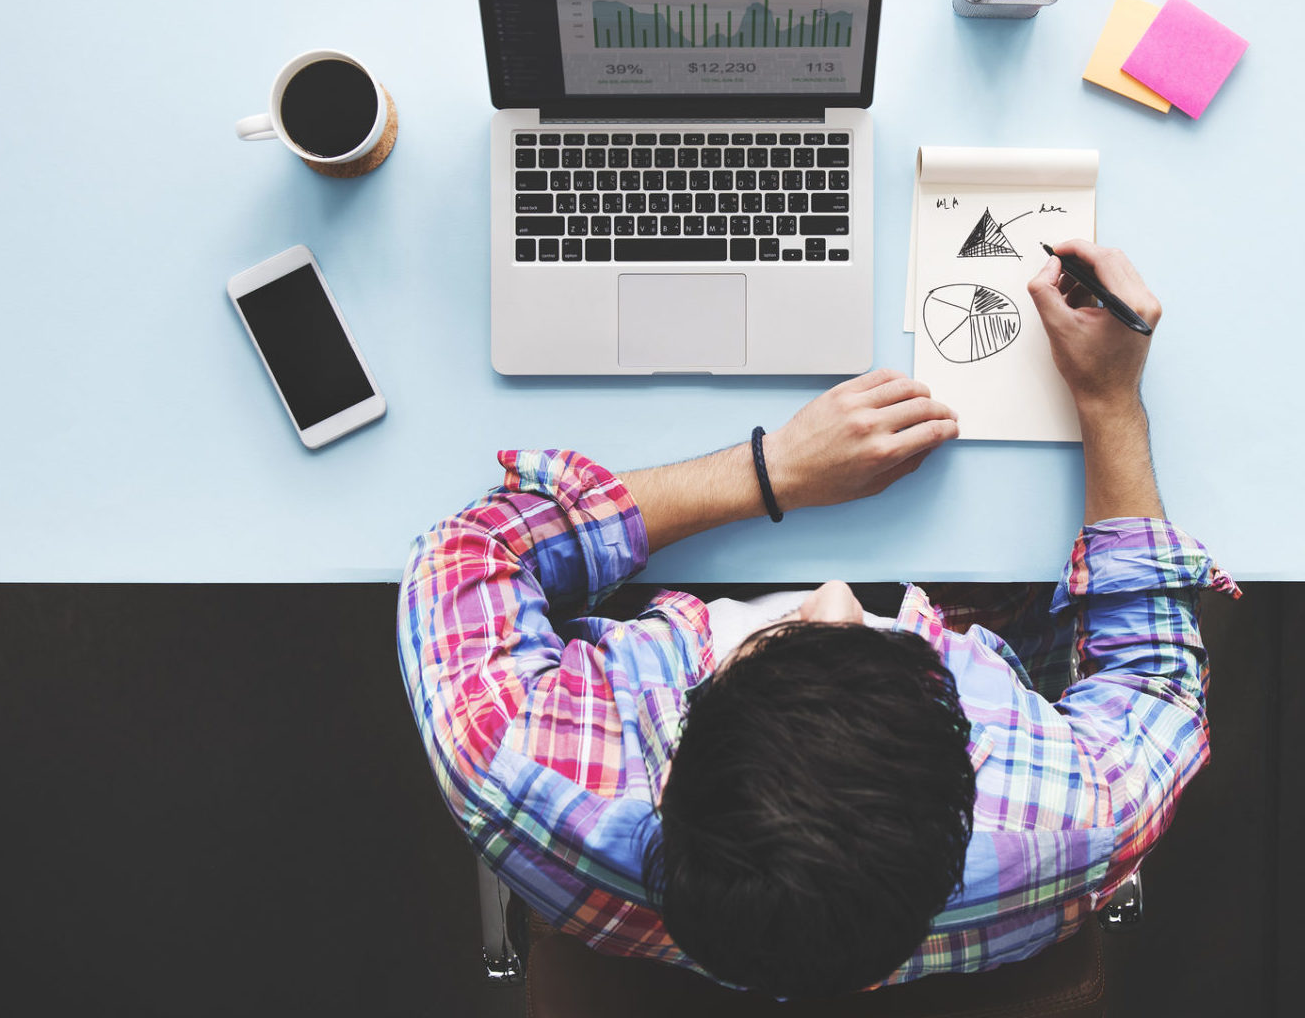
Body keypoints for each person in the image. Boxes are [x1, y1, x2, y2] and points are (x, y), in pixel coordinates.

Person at [397, 241, 1238, 997]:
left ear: (682, 734)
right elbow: (1153, 679)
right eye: (892, 640)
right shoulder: (1076, 823)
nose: (837, 589)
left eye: (787, 634)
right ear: (969, 779)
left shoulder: (521, 771)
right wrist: (1108, 397)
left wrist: (772, 472)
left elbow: (473, 553)